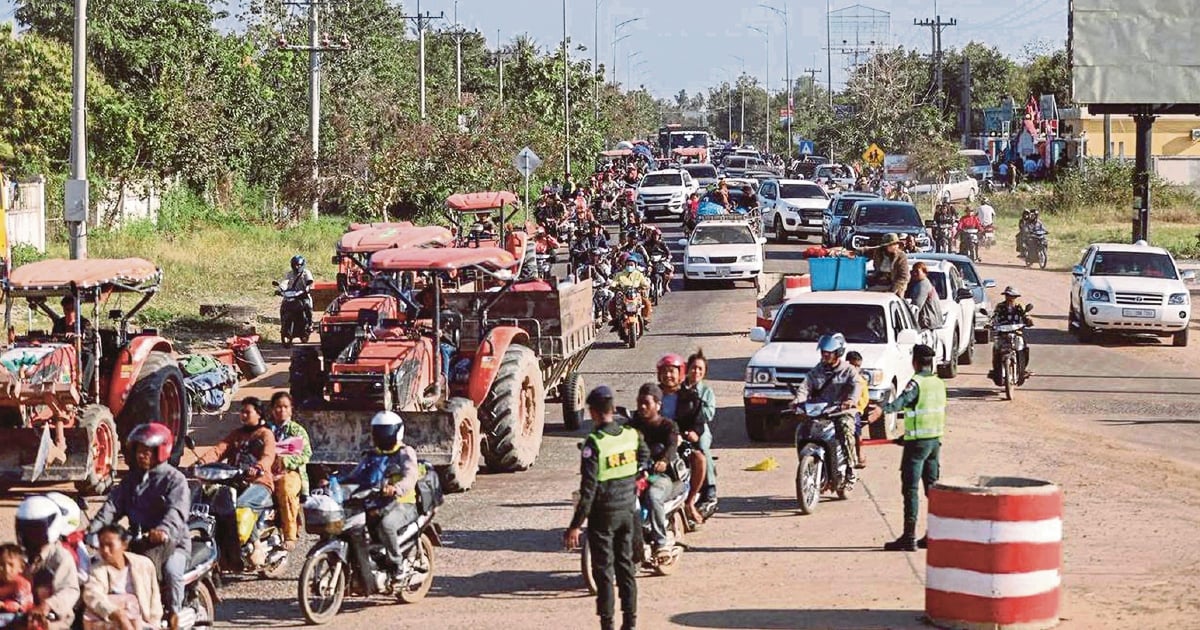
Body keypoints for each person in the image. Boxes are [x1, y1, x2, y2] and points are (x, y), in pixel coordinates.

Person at [563, 386, 649, 630]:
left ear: (593, 412)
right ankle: (630, 623)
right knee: (626, 569)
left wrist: (575, 526)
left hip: (604, 515)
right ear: (612, 409)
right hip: (628, 512)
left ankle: (608, 624)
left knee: (604, 573)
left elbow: (588, 490)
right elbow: (644, 457)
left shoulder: (595, 443)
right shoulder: (631, 435)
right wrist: (636, 477)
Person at [87, 424, 188, 630]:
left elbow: (176, 512)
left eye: (147, 450)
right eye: (139, 450)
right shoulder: (130, 480)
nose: (141, 455)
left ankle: (174, 614)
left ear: (161, 450)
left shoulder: (175, 480)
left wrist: (163, 531)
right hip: (138, 542)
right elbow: (111, 507)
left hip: (172, 543)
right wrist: (92, 530)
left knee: (171, 571)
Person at [868, 344, 945, 551]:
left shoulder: (916, 383)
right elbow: (928, 413)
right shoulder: (938, 383)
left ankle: (909, 537)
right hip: (934, 443)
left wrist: (881, 409)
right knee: (932, 490)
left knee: (910, 489)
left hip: (917, 445)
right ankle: (934, 535)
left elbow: (901, 402)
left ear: (915, 362)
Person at [196, 398, 277, 565]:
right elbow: (219, 450)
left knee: (240, 507)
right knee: (211, 502)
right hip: (235, 481)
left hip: (259, 483)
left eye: (248, 412)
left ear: (259, 414)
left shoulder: (265, 434)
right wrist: (201, 463)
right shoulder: (237, 434)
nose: (243, 415)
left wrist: (258, 467)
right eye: (242, 412)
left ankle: (256, 544)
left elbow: (269, 456)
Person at [339, 411, 420, 580]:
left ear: (397, 432)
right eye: (380, 431)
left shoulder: (405, 452)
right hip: (377, 503)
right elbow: (356, 474)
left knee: (387, 525)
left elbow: (411, 476)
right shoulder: (372, 454)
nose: (383, 435)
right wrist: (336, 482)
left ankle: (397, 565)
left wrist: (396, 488)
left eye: (387, 431)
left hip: (403, 503)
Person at [794, 334, 861, 483]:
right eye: (823, 352)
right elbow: (805, 387)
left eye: (828, 353)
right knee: (803, 430)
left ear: (838, 353)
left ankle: (850, 467)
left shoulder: (849, 370)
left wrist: (851, 400)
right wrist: (798, 401)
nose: (824, 355)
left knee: (845, 428)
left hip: (842, 411)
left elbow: (857, 385)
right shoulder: (816, 371)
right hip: (821, 411)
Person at [627, 383, 683, 557]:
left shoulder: (668, 426)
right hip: (637, 474)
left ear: (658, 405)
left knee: (653, 496)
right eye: (639, 403)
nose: (642, 407)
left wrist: (664, 461)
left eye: (646, 403)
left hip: (662, 477)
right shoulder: (632, 425)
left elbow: (672, 446)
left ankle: (661, 542)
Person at [16, 496, 80, 630]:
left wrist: (48, 605)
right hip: (20, 611)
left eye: (35, 529)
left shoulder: (60, 557)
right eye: (26, 528)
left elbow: (70, 590)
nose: (30, 535)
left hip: (53, 619)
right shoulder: (18, 555)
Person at [83, 525, 162, 630]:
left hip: (144, 622)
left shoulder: (144, 564)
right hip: (114, 624)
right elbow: (92, 595)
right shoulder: (97, 570)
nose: (105, 550)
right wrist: (117, 614)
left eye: (110, 545)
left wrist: (155, 624)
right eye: (102, 546)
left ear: (124, 545)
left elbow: (155, 599)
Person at [656, 354, 705, 525]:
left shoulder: (691, 397)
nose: (668, 375)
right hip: (656, 443)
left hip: (682, 443)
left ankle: (690, 502)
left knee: (699, 459)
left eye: (672, 371)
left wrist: (693, 433)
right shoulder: (652, 395)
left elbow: (699, 423)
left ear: (680, 374)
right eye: (664, 371)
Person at [268, 392, 312, 551]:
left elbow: (306, 454)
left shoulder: (297, 430)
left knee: (286, 490)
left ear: (291, 410)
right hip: (267, 471)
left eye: (285, 407)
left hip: (292, 473)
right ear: (272, 410)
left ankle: (290, 536)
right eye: (278, 407)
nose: (281, 410)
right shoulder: (266, 430)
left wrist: (286, 461)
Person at [681, 350, 718, 513]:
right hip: (679, 427)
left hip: (700, 428)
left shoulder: (706, 392)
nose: (696, 372)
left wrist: (697, 402)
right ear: (687, 369)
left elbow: (708, 415)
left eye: (700, 369)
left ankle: (710, 490)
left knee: (702, 449)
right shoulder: (678, 389)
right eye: (694, 368)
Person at [989, 287, 1034, 385]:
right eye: (1008, 295)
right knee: (996, 349)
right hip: (1002, 333)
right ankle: (996, 371)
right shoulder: (1000, 306)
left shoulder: (1019, 306)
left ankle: (1022, 369)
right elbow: (994, 316)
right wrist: (990, 323)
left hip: (1016, 332)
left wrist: (1029, 320)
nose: (1010, 298)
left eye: (1012, 296)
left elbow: (1025, 315)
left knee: (1024, 348)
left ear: (1016, 297)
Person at [609, 254, 653, 331]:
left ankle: (644, 319)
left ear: (635, 265)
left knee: (647, 303)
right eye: (628, 264)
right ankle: (616, 320)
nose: (630, 266)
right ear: (625, 265)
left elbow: (645, 284)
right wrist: (613, 286)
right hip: (623, 294)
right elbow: (614, 282)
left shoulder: (639, 274)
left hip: (636, 293)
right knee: (612, 303)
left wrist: (645, 287)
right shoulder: (620, 274)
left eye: (632, 264)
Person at [845, 351, 871, 469]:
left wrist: (858, 407)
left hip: (855, 411)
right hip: (840, 409)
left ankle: (860, 455)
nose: (856, 368)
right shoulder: (841, 377)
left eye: (858, 366)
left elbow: (864, 397)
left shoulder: (860, 380)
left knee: (857, 432)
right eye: (853, 365)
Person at [0, 544, 33, 626]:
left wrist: (3, 605)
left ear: (21, 568)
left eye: (11, 565)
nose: (6, 570)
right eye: (1, 565)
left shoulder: (22, 585)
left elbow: (20, 606)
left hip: (21, 615)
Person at [907, 262, 945, 332]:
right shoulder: (922, 283)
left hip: (927, 324)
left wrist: (910, 323)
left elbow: (916, 306)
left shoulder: (923, 285)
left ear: (924, 272)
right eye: (913, 271)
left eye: (917, 271)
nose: (914, 273)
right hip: (932, 323)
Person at [642, 228, 674, 293]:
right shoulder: (647, 243)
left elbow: (668, 252)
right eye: (654, 235)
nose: (656, 237)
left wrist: (668, 257)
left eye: (657, 235)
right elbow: (642, 250)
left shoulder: (662, 243)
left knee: (670, 269)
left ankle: (666, 284)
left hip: (661, 260)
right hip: (650, 260)